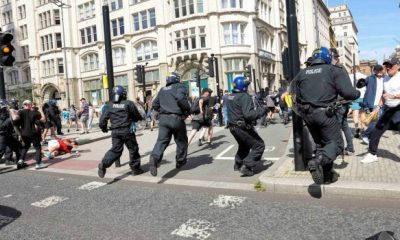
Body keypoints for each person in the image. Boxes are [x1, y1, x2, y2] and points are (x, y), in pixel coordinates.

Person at [292, 47, 360, 184]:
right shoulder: (333, 70)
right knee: (336, 144)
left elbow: (294, 95)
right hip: (325, 115)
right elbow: (348, 93)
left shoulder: (302, 73)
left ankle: (326, 176)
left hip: (307, 115)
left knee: (321, 145)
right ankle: (317, 161)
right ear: (328, 57)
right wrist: (357, 93)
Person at [149, 73, 190, 177]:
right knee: (181, 140)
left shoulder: (162, 89)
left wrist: (163, 111)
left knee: (162, 141)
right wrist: (187, 111)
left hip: (163, 119)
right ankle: (180, 161)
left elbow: (154, 104)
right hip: (176, 118)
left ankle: (154, 157)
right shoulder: (179, 86)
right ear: (177, 79)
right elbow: (181, 99)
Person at [98, 86, 144, 178]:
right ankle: (135, 169)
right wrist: (136, 118)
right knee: (133, 149)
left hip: (115, 131)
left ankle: (104, 164)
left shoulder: (109, 105)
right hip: (126, 131)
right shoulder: (128, 103)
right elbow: (136, 116)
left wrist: (104, 128)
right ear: (123, 94)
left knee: (116, 150)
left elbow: (102, 120)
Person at [361, 58, 400, 164]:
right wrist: (377, 108)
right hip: (388, 109)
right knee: (376, 130)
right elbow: (384, 95)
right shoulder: (386, 78)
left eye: (390, 66)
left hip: (399, 109)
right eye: (386, 66)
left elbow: (391, 95)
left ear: (398, 66)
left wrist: (394, 96)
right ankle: (372, 154)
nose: (388, 68)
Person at [226, 75, 267, 177]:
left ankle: (238, 163)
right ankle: (247, 166)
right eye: (247, 85)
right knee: (259, 145)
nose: (248, 87)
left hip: (233, 127)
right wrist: (262, 110)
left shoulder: (230, 96)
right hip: (242, 127)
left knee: (244, 145)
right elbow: (248, 115)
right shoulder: (244, 97)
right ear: (243, 86)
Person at [330, 48, 354, 155]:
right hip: (345, 101)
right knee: (345, 125)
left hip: (339, 102)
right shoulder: (342, 67)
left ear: (332, 57)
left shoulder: (335, 68)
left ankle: (340, 150)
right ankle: (350, 148)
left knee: (337, 127)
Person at [11, 100, 47, 169]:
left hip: (24, 133)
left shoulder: (20, 112)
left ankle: (21, 160)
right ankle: (38, 163)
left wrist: (13, 111)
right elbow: (43, 120)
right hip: (33, 133)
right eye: (31, 104)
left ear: (24, 105)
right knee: (37, 147)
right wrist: (41, 110)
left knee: (25, 147)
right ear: (30, 105)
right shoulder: (34, 112)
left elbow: (15, 119)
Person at [360, 65, 385, 144]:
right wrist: (360, 82)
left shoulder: (385, 80)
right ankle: (365, 134)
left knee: (374, 122)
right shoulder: (370, 78)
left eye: (380, 70)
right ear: (374, 71)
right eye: (377, 70)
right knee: (376, 122)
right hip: (371, 104)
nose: (379, 72)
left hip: (381, 104)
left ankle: (369, 137)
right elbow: (361, 84)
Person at [0, 100, 22, 166]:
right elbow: (1, 126)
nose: (7, 106)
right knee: (1, 150)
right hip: (2, 134)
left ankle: (20, 163)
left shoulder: (5, 112)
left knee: (18, 147)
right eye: (6, 105)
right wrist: (10, 120)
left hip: (8, 134)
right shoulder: (2, 113)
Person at [349, 66, 367, 138]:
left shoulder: (350, 76)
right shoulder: (365, 76)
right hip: (363, 97)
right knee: (362, 114)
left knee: (355, 114)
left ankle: (357, 128)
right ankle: (364, 129)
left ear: (353, 70)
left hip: (355, 96)